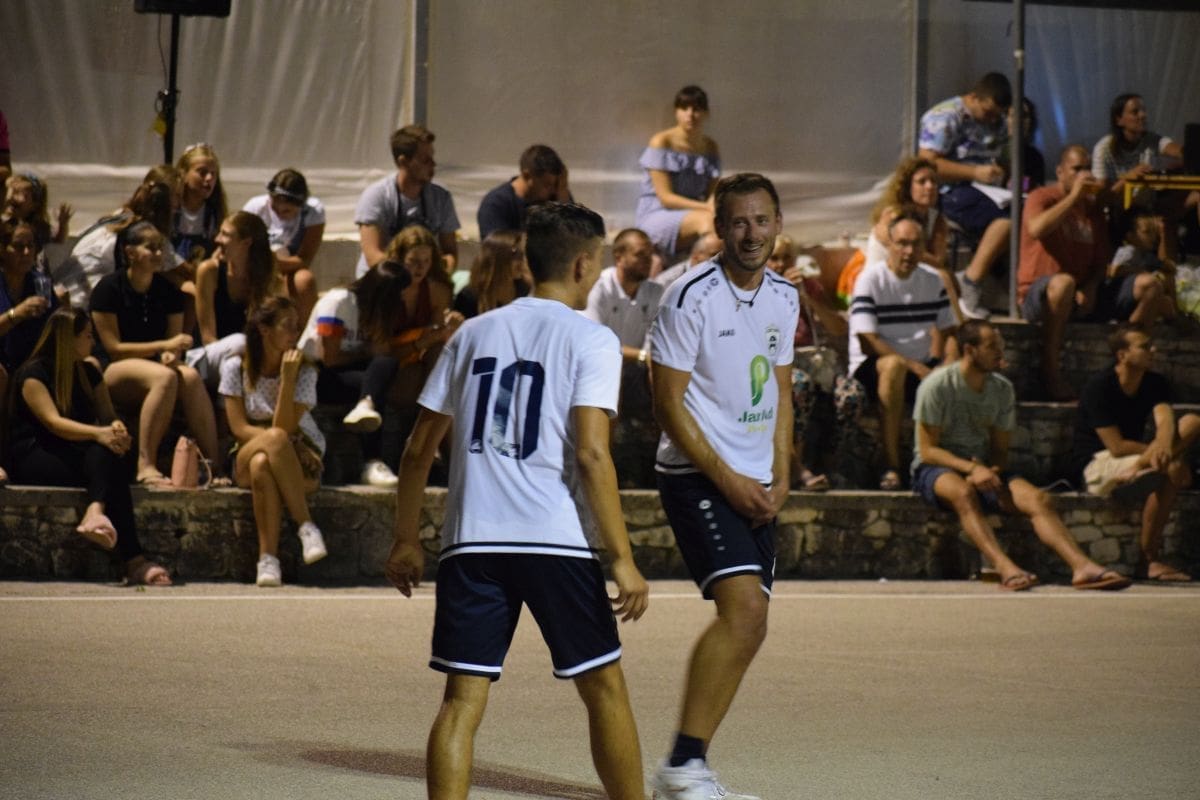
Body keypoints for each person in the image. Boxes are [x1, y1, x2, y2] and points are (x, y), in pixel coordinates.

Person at [384, 202, 649, 800]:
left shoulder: (471, 333)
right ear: (584, 265)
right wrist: (622, 557)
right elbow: (592, 454)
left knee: (461, 702)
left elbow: (418, 449)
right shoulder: (593, 339)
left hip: (472, 539)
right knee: (603, 688)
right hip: (553, 537)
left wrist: (405, 538)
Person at [648, 173, 795, 800]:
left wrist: (781, 471)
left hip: (756, 483)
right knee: (745, 612)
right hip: (698, 476)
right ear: (719, 228)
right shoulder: (689, 297)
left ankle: (689, 766)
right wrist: (729, 479)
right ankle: (683, 768)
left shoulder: (785, 297)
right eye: (738, 222)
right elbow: (666, 404)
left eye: (761, 220)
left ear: (778, 224)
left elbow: (782, 390)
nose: (751, 233)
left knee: (751, 624)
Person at [912, 319, 1132, 591]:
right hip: (936, 466)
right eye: (992, 346)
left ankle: (1082, 567)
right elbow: (928, 450)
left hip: (982, 466)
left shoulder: (1002, 389)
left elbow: (1000, 450)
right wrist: (971, 470)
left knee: (1039, 499)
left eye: (1000, 344)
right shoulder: (937, 385)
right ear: (969, 350)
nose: (1000, 352)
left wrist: (991, 471)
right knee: (963, 494)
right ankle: (1004, 567)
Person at [4, 308, 171, 585]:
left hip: (78, 451)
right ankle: (135, 560)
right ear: (68, 338)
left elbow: (107, 415)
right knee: (108, 461)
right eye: (87, 335)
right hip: (38, 454)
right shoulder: (33, 374)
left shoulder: (90, 372)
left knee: (112, 454)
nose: (93, 342)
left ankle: (96, 512)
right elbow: (54, 423)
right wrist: (99, 434)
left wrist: (116, 429)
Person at [89, 221, 223, 486]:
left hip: (154, 364)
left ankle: (214, 465)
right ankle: (145, 463)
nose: (159, 254)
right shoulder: (108, 288)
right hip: (114, 368)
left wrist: (170, 354)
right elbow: (114, 348)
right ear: (130, 252)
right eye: (150, 248)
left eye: (161, 248)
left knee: (190, 377)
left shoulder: (168, 291)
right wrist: (163, 347)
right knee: (164, 377)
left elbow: (172, 345)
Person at [1070, 324, 1200, 582]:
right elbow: (1116, 446)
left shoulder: (1155, 382)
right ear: (1122, 355)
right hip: (1098, 462)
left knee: (1192, 422)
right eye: (1144, 346)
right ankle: (1148, 559)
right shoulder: (1099, 386)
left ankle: (1141, 470)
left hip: (1133, 462)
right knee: (1173, 470)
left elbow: (1165, 420)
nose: (1153, 350)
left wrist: (1163, 447)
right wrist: (1161, 453)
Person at [846, 211, 957, 490]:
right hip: (874, 367)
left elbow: (950, 332)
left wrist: (947, 364)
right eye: (902, 243)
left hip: (919, 366)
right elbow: (868, 341)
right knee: (894, 366)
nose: (909, 251)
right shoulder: (870, 279)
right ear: (890, 245)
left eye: (916, 244)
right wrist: (917, 368)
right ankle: (891, 464)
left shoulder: (933, 280)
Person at [220, 297, 327, 587]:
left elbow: (286, 426)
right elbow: (239, 428)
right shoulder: (236, 367)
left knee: (262, 465)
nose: (295, 333)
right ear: (265, 330)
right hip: (250, 446)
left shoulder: (304, 371)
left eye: (297, 326)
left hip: (299, 453)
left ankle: (267, 561)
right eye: (287, 326)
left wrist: (287, 380)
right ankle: (306, 526)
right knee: (272, 443)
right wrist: (276, 440)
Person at [298, 257, 414, 487]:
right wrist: (367, 352)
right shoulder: (338, 302)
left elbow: (383, 352)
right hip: (318, 375)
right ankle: (372, 458)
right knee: (375, 382)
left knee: (386, 365)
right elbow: (330, 359)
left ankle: (366, 405)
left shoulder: (376, 313)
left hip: (352, 373)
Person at [1017, 145, 1110, 401]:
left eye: (1087, 168)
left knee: (1146, 286)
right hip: (1039, 293)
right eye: (1076, 169)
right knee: (1063, 283)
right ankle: (1050, 372)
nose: (1084, 174)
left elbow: (1101, 262)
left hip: (1079, 293)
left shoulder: (1092, 211)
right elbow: (1037, 228)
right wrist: (1073, 197)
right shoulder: (1042, 197)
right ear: (1060, 172)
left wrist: (1091, 287)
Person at [917, 72, 1013, 319]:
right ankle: (971, 280)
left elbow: (1003, 154)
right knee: (1007, 222)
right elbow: (927, 163)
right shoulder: (945, 117)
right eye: (988, 113)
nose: (992, 120)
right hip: (952, 191)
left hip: (989, 190)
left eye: (998, 115)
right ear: (974, 98)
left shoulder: (998, 122)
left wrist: (1002, 170)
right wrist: (974, 172)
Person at [768, 235, 848, 491]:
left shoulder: (806, 287)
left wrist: (807, 299)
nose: (781, 265)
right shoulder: (754, 289)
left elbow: (838, 328)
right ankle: (795, 468)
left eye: (786, 258)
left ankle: (831, 465)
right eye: (774, 258)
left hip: (811, 362)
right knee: (798, 385)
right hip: (774, 368)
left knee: (850, 395)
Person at [53, 165, 182, 308]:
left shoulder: (123, 215)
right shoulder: (144, 229)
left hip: (69, 284)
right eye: (177, 196)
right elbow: (177, 267)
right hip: (86, 292)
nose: (179, 203)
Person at [354, 124, 460, 278]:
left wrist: (441, 270)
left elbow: (450, 253)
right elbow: (373, 257)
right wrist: (413, 271)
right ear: (403, 162)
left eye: (432, 158)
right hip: (381, 281)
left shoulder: (441, 197)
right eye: (425, 160)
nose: (433, 164)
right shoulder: (376, 196)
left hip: (423, 279)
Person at [192, 211, 282, 387]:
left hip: (246, 361)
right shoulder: (209, 272)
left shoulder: (269, 278)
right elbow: (208, 337)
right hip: (205, 360)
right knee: (239, 343)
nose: (217, 239)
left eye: (225, 234)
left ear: (246, 243)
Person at [635, 85, 720, 260]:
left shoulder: (710, 147)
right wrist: (707, 208)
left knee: (724, 223)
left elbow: (712, 193)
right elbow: (666, 198)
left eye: (696, 109)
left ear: (706, 113)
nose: (690, 114)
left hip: (698, 213)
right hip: (658, 214)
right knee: (708, 221)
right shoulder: (662, 142)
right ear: (676, 112)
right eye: (684, 108)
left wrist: (713, 205)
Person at [241, 168, 322, 324]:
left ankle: (303, 332)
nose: (279, 213)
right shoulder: (255, 208)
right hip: (256, 266)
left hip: (290, 267)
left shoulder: (313, 212)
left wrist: (275, 263)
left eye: (286, 211)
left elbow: (305, 259)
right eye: (274, 207)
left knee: (304, 280)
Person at [584, 228, 663, 365]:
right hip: (601, 365)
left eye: (650, 254)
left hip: (638, 369)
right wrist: (642, 356)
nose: (648, 260)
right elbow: (593, 342)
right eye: (640, 254)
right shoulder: (598, 288)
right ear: (619, 257)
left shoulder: (656, 291)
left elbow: (653, 341)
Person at [476, 144, 570, 239]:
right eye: (547, 185)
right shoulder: (496, 204)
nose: (553, 191)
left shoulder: (556, 196)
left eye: (556, 184)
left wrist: (563, 195)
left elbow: (574, 236)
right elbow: (495, 245)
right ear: (527, 176)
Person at [1101, 212, 1177, 327]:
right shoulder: (1128, 251)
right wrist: (1141, 272)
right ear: (1130, 236)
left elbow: (1165, 265)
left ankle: (1175, 318)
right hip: (1120, 294)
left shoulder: (1145, 254)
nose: (1152, 237)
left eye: (1154, 233)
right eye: (1147, 232)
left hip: (1139, 294)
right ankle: (1131, 327)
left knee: (1167, 299)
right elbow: (1115, 271)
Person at [451, 229, 529, 319]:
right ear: (497, 258)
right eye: (517, 255)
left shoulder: (525, 290)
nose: (523, 261)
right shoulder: (469, 298)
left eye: (524, 255)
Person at [172, 143, 228, 263]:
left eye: (213, 173)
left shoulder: (214, 214)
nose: (209, 178)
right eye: (202, 172)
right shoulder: (171, 208)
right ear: (183, 174)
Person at [3, 171, 71, 251]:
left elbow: (57, 241)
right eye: (11, 192)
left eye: (19, 193)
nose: (11, 198)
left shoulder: (38, 227)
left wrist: (63, 224)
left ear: (35, 204)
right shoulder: (5, 224)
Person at [652, 231, 721, 289]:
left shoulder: (719, 274)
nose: (719, 258)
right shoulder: (666, 282)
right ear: (696, 255)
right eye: (714, 254)